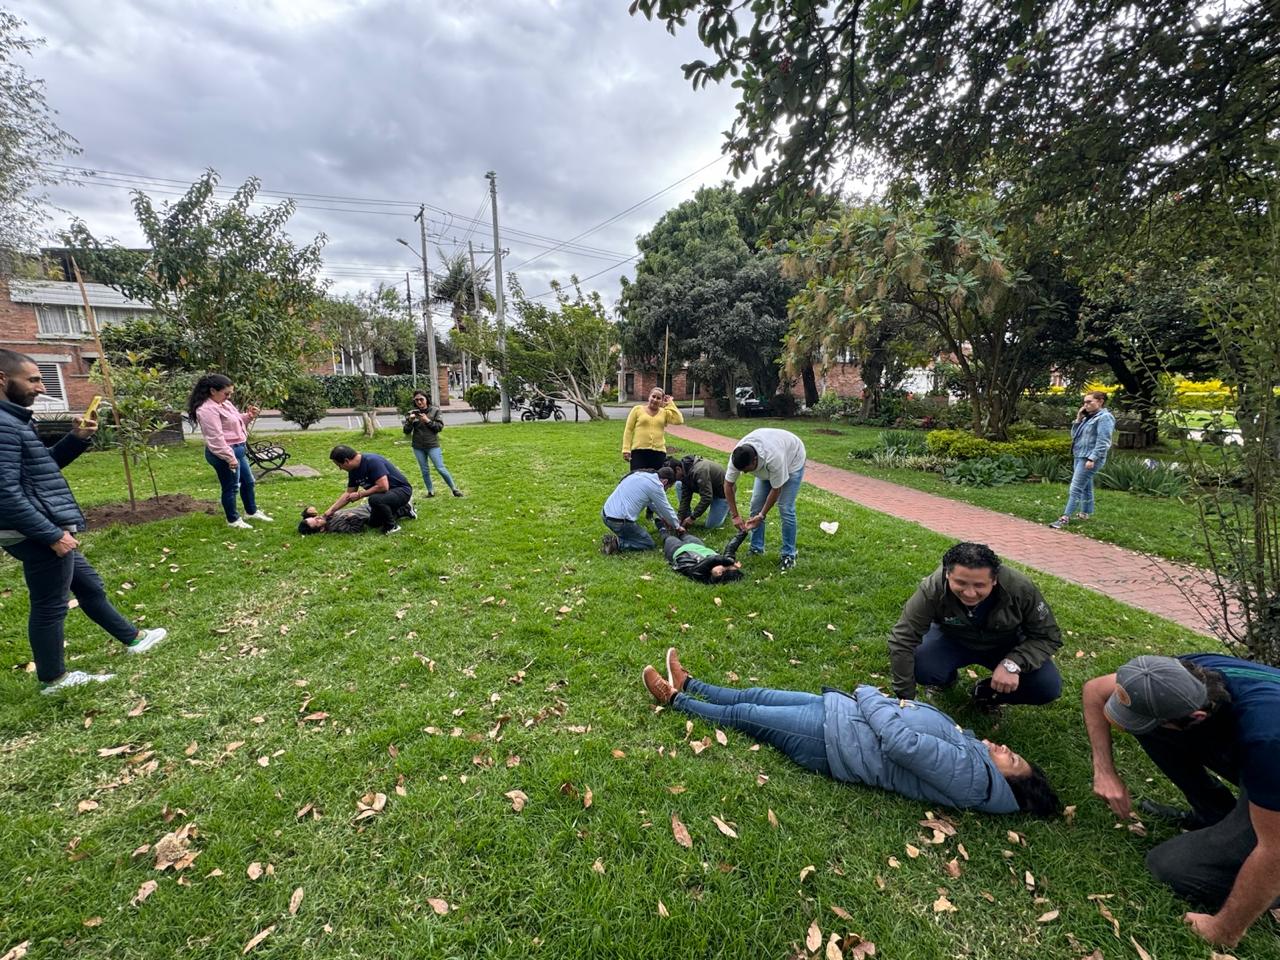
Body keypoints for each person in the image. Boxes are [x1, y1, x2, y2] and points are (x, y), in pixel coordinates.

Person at [643, 647, 1060, 815]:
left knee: (748, 715)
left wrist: (869, 696)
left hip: (836, 742)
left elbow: (902, 744)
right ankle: (691, 683)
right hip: (843, 716)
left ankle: (675, 700)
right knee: (759, 695)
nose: (1005, 748)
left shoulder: (972, 778)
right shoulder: (974, 755)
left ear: (1006, 781)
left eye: (1011, 758)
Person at [1082, 654, 1280, 947]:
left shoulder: (1267, 740)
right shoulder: (1171, 677)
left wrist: (1223, 929)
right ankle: (1214, 815)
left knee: (1172, 867)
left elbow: (1274, 851)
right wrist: (1104, 771)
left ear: (1197, 717)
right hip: (1261, 756)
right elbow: (1094, 690)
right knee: (1152, 726)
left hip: (1272, 760)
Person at [0, 349, 166, 694]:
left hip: (40, 525)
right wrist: (51, 535)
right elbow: (4, 494)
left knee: (88, 585)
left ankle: (133, 638)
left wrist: (76, 439)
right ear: (2, 380)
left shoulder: (14, 420)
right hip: (35, 531)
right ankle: (54, 679)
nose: (41, 387)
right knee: (50, 604)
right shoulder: (3, 425)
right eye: (33, 380)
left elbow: (41, 469)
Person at [888, 542, 1063, 708]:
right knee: (921, 665)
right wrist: (906, 699)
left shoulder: (1020, 588)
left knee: (1046, 687)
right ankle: (944, 680)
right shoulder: (933, 588)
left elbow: (1048, 636)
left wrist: (1014, 663)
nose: (970, 593)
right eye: (960, 583)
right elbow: (903, 638)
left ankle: (987, 693)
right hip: (953, 639)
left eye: (980, 585)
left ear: (994, 580)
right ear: (947, 574)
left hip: (1006, 643)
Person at [186, 373, 272, 530]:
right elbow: (215, 439)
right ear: (213, 391)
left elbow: (234, 422)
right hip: (224, 453)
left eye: (230, 393)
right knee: (231, 487)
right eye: (226, 393)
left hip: (238, 449)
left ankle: (251, 512)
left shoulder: (224, 404)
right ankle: (233, 520)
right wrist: (229, 458)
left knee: (248, 482)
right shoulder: (207, 410)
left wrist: (248, 416)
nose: (229, 397)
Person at [723, 427, 806, 571]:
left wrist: (761, 516)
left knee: (785, 507)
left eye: (747, 469)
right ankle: (756, 548)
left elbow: (776, 489)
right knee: (756, 505)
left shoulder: (774, 458)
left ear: (755, 460)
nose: (745, 473)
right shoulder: (738, 455)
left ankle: (789, 554)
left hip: (792, 459)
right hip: (768, 458)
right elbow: (728, 485)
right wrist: (735, 515)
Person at [1050, 390, 1116, 529]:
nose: (1085, 405)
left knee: (1075, 487)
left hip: (1090, 458)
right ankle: (1085, 513)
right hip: (1080, 455)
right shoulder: (1088, 418)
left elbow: (1104, 441)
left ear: (1100, 402)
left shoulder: (1105, 418)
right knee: (1086, 486)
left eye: (1089, 402)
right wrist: (1079, 419)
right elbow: (1075, 436)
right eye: (1084, 402)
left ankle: (1065, 517)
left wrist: (1092, 458)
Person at [325, 445, 415, 535]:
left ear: (346, 461)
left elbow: (383, 487)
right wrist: (331, 510)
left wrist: (360, 495)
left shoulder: (372, 461)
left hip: (401, 491)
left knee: (375, 499)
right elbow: (349, 493)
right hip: (385, 496)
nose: (340, 469)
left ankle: (391, 527)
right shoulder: (353, 471)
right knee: (374, 523)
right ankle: (406, 509)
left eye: (339, 465)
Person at [600, 467, 681, 554]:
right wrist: (677, 526)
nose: (666, 490)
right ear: (665, 482)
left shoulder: (641, 475)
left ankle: (622, 536)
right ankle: (616, 544)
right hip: (619, 522)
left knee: (633, 535)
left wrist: (663, 517)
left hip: (606, 514)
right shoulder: (656, 485)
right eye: (668, 487)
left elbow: (652, 504)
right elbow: (666, 508)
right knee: (648, 543)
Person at [403, 390, 462, 498]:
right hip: (418, 446)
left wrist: (428, 421)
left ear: (426, 399)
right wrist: (410, 421)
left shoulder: (435, 411)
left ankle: (454, 489)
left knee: (440, 468)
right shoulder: (412, 413)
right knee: (424, 470)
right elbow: (406, 431)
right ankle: (430, 491)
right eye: (416, 400)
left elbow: (439, 428)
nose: (419, 402)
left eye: (421, 399)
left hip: (432, 445)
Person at [621, 387, 683, 472]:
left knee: (656, 478)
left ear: (662, 401)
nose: (655, 400)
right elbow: (629, 430)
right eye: (653, 396)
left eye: (658, 398)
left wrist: (670, 404)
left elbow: (679, 420)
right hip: (639, 452)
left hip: (658, 452)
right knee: (638, 477)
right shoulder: (637, 410)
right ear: (649, 397)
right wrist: (626, 449)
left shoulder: (664, 412)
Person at [668, 455, 729, 531]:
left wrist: (692, 517)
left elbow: (707, 498)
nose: (673, 480)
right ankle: (686, 515)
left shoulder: (699, 471)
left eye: (673, 477)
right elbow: (685, 497)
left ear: (678, 469)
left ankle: (728, 507)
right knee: (679, 484)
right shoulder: (684, 471)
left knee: (711, 526)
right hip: (709, 489)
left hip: (723, 494)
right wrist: (680, 517)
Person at [661, 529, 743, 584]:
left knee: (668, 537)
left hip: (677, 550)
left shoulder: (699, 575)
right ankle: (679, 528)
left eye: (725, 568)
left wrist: (730, 562)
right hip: (697, 545)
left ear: (718, 573)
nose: (725, 565)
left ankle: (661, 526)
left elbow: (712, 559)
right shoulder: (723, 563)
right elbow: (730, 549)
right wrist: (743, 531)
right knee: (683, 533)